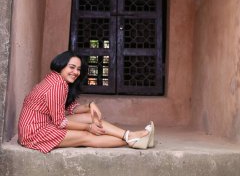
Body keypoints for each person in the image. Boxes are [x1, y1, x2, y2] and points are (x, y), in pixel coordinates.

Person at [18, 50, 155, 153]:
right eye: (71, 67)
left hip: (45, 124)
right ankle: (132, 140)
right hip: (35, 133)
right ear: (61, 65)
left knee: (90, 117)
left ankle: (130, 136)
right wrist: (87, 127)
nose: (76, 72)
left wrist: (90, 105)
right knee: (86, 136)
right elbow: (60, 122)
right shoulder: (57, 85)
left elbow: (71, 108)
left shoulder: (57, 79)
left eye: (78, 69)